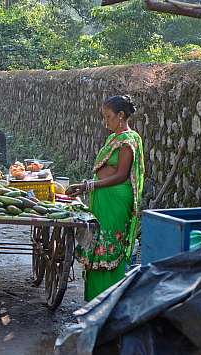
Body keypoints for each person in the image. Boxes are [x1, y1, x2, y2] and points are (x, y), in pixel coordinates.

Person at [68, 95, 144, 302]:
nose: (106, 121)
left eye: (108, 116)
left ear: (121, 115)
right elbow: (106, 171)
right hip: (103, 198)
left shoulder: (128, 141)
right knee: (97, 243)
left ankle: (108, 301)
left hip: (116, 201)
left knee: (108, 245)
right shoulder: (115, 139)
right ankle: (94, 299)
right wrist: (87, 185)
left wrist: (89, 186)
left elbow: (120, 175)